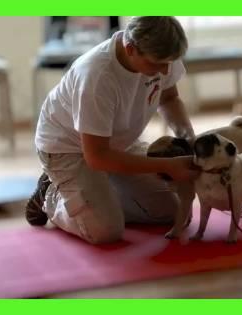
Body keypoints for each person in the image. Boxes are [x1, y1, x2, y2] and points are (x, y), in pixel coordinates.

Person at [26, 16, 199, 244]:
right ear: (130, 49)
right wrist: (167, 166)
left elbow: (169, 98)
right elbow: (97, 156)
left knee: (174, 212)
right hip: (68, 149)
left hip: (117, 143)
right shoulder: (97, 76)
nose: (165, 70)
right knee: (105, 231)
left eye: (170, 62)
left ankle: (96, 198)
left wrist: (188, 138)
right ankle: (51, 195)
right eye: (158, 63)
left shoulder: (162, 52)